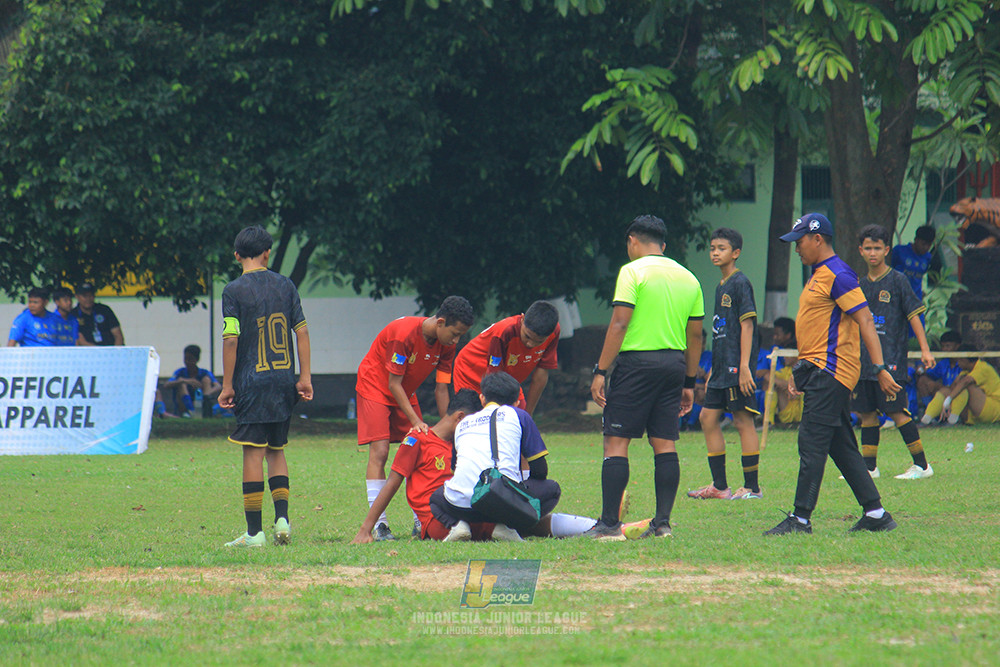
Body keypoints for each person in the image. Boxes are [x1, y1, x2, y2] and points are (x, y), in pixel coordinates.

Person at [764, 213, 901, 536]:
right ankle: (876, 513)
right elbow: (816, 328)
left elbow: (865, 320)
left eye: (800, 242)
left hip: (832, 371)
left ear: (817, 239)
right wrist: (800, 370)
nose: (796, 248)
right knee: (841, 445)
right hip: (819, 369)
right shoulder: (819, 275)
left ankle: (800, 519)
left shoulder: (839, 274)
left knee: (811, 441)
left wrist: (879, 368)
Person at [585, 214, 704, 541]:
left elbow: (620, 323)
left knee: (616, 441)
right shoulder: (689, 278)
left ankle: (609, 525)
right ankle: (662, 523)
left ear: (632, 241)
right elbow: (696, 336)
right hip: (674, 365)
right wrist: (689, 383)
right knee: (664, 442)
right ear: (663, 244)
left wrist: (600, 371)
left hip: (636, 365)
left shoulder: (632, 271)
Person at [218, 225, 313, 548]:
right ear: (267, 253)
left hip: (251, 382)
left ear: (237, 256)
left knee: (252, 453)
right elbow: (301, 331)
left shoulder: (233, 291)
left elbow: (231, 338)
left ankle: (254, 532)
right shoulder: (286, 285)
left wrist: (227, 385)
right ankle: (282, 519)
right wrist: (304, 377)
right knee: (277, 449)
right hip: (283, 380)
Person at [355, 296, 474, 541]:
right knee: (380, 451)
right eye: (454, 334)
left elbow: (441, 388)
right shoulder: (403, 335)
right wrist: (416, 422)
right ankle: (380, 525)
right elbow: (393, 383)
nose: (456, 341)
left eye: (460, 336)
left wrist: (448, 430)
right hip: (375, 387)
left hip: (405, 391)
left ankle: (422, 519)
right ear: (440, 322)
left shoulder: (446, 345)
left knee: (424, 446)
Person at [429, 372, 571, 542]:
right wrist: (521, 490)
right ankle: (506, 526)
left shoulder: (463, 423)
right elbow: (540, 470)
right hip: (503, 503)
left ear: (482, 399)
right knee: (552, 489)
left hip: (462, 507)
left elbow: (455, 469)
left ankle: (458, 525)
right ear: (517, 402)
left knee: (436, 497)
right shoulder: (519, 415)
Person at [851, 225, 936, 480]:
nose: (873, 253)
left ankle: (922, 465)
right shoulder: (859, 285)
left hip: (891, 360)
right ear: (861, 251)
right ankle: (869, 468)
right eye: (868, 248)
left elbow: (914, 316)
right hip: (865, 361)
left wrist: (925, 349)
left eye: (877, 248)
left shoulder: (898, 280)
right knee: (867, 414)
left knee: (897, 411)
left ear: (887, 250)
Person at [351, 389, 487, 543]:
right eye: (471, 424)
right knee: (463, 527)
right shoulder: (418, 439)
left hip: (463, 509)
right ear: (460, 417)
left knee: (495, 524)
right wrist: (365, 529)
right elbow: (392, 483)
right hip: (436, 518)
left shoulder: (460, 445)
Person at [689, 228, 762, 500]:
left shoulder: (740, 282)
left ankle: (752, 488)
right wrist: (714, 369)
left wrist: (744, 366)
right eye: (712, 248)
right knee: (707, 418)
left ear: (736, 253)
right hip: (721, 368)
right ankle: (720, 487)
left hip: (736, 367)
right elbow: (722, 330)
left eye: (721, 248)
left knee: (742, 421)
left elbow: (747, 326)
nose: (715, 253)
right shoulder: (721, 285)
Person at [452, 301, 560, 414]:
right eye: (527, 336)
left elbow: (541, 374)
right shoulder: (505, 331)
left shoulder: (554, 332)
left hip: (505, 376)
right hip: (471, 370)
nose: (530, 344)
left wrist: (528, 414)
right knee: (469, 418)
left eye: (539, 341)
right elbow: (493, 377)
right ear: (522, 319)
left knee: (519, 415)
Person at [921, 346, 1000, 425]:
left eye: (959, 360)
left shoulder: (983, 367)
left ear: (964, 360)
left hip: (993, 409)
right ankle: (928, 417)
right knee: (948, 390)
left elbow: (965, 382)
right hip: (973, 414)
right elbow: (952, 388)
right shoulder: (965, 372)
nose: (958, 363)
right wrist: (943, 391)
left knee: (966, 386)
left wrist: (949, 399)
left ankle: (953, 418)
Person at [158, 344, 224, 418]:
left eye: (190, 359)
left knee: (206, 380)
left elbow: (218, 386)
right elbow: (167, 384)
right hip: (182, 406)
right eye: (185, 359)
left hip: (200, 402)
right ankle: (190, 411)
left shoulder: (204, 373)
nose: (187, 362)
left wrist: (206, 394)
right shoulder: (180, 372)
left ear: (197, 359)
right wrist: (185, 381)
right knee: (182, 385)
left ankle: (205, 408)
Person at [891, 225, 940, 300]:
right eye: (923, 244)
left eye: (929, 245)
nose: (926, 248)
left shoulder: (927, 258)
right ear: (916, 240)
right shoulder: (899, 251)